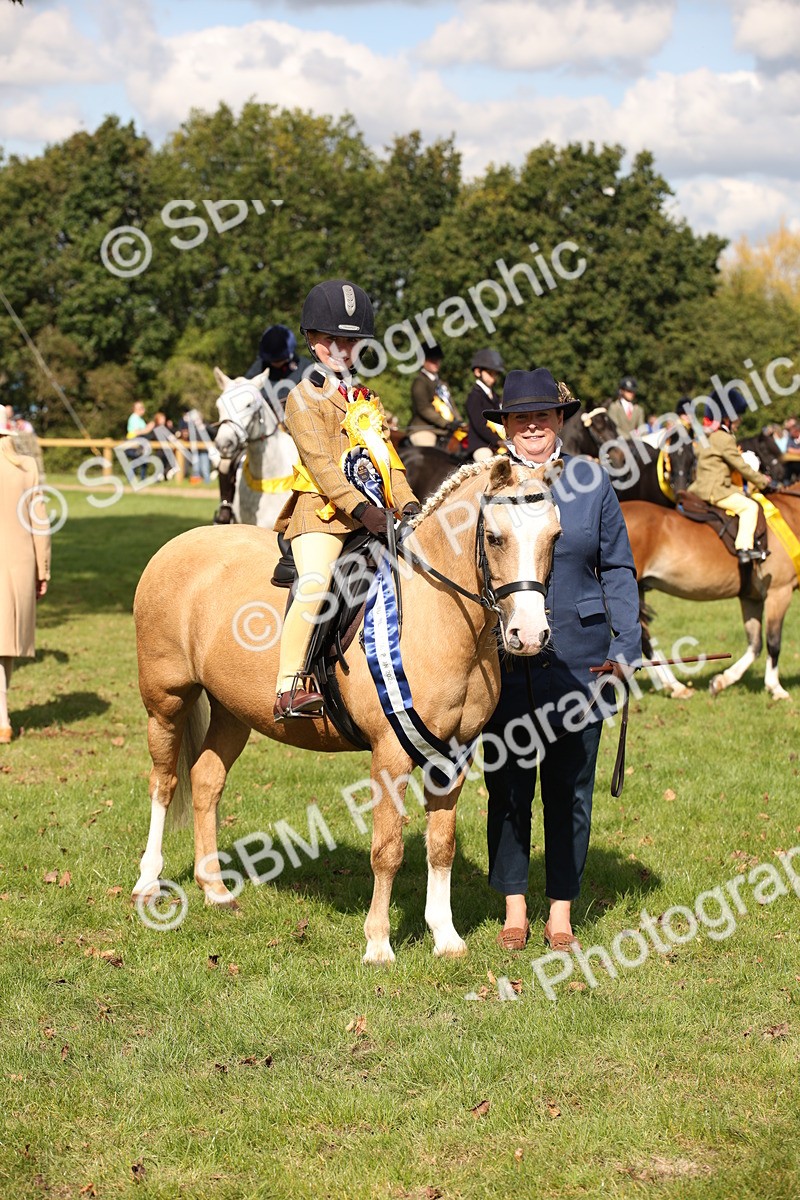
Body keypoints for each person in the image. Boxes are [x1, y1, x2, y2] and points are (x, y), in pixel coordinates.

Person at [480, 368, 641, 951]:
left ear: (559, 423)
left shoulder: (591, 483)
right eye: (521, 418)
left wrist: (625, 649)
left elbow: (618, 567)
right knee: (509, 785)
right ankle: (515, 906)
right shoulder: (487, 485)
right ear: (506, 427)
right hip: (507, 662)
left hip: (581, 658)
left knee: (571, 787)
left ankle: (561, 912)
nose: (532, 428)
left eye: (542, 418)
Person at [272, 279, 420, 719]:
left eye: (351, 342)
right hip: (323, 516)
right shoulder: (302, 398)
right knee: (317, 581)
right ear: (313, 340)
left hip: (376, 513)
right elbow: (322, 467)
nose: (342, 349)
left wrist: (410, 504)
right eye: (332, 340)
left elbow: (387, 459)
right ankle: (289, 686)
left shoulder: (364, 398)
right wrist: (363, 510)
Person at [0, 406, 51, 743]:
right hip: (18, 563)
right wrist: (43, 567)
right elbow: (40, 522)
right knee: (6, 643)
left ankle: (1, 714)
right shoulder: (27, 466)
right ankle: (2, 716)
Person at [688, 388, 772, 563]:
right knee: (750, 507)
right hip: (715, 490)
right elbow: (741, 467)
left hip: (698, 488)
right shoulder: (724, 439)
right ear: (727, 417)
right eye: (737, 417)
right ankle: (744, 548)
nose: (739, 421)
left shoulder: (706, 436)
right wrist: (763, 481)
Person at [244, 324, 313, 422]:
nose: (275, 364)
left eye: (279, 360)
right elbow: (246, 390)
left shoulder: (305, 366)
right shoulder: (259, 366)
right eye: (273, 361)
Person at [407, 344, 462, 448]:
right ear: (423, 361)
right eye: (432, 360)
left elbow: (451, 405)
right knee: (430, 451)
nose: (436, 363)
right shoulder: (420, 382)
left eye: (438, 359)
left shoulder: (442, 383)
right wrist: (446, 423)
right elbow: (424, 409)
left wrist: (459, 422)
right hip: (423, 429)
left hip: (444, 429)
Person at [465, 348, 505, 461]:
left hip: (498, 444)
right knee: (486, 459)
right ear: (478, 372)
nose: (493, 377)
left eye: (495, 374)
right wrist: (497, 441)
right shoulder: (474, 396)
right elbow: (479, 425)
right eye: (489, 373)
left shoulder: (495, 396)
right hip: (481, 445)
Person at [179, 406, 213, 484]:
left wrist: (206, 427)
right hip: (195, 450)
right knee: (196, 468)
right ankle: (196, 483)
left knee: (204, 468)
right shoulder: (192, 427)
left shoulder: (205, 425)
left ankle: (207, 483)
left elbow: (214, 432)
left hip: (204, 450)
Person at [125, 401, 155, 481]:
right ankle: (136, 478)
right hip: (134, 443)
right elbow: (137, 431)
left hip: (139, 442)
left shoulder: (139, 419)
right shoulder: (134, 418)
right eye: (141, 408)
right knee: (138, 459)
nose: (143, 410)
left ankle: (140, 478)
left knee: (140, 460)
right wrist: (148, 428)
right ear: (135, 409)